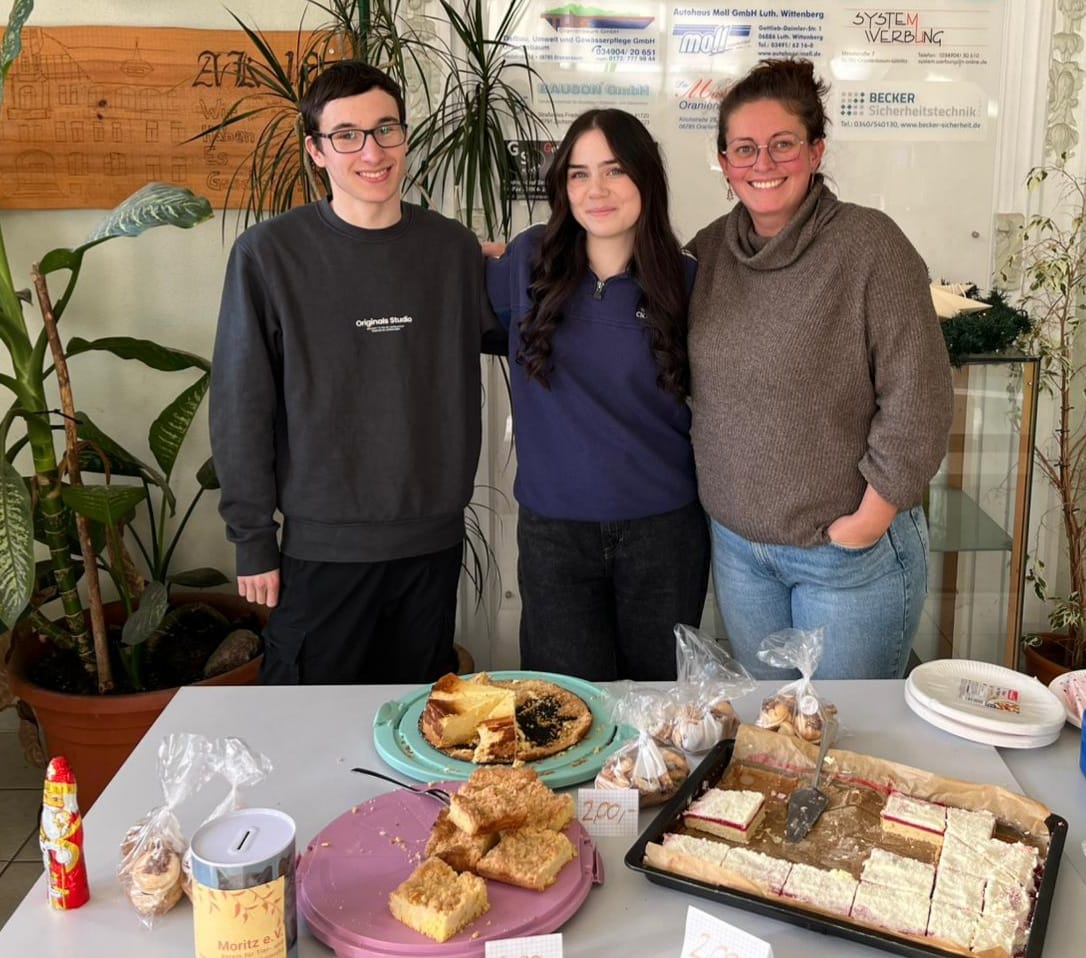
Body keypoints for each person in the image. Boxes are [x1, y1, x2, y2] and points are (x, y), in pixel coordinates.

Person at [209, 61, 493, 685]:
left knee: (418, 724)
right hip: (322, 550)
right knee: (307, 728)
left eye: (385, 129)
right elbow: (240, 403)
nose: (371, 150)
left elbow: (531, 327)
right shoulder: (269, 254)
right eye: (347, 135)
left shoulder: (452, 252)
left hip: (430, 544)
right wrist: (253, 537)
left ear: (405, 137)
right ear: (316, 151)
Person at [686, 59, 953, 680]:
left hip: (846, 557)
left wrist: (870, 519)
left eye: (783, 145)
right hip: (740, 552)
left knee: (842, 740)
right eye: (744, 149)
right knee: (769, 744)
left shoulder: (869, 246)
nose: (763, 164)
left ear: (815, 151)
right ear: (724, 164)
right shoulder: (706, 255)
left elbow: (920, 396)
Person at [486, 109, 710, 681]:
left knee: (659, 714)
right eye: (579, 174)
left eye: (614, 170)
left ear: (647, 178)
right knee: (563, 710)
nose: (597, 190)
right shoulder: (527, 261)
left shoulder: (686, 280)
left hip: (662, 533)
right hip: (555, 532)